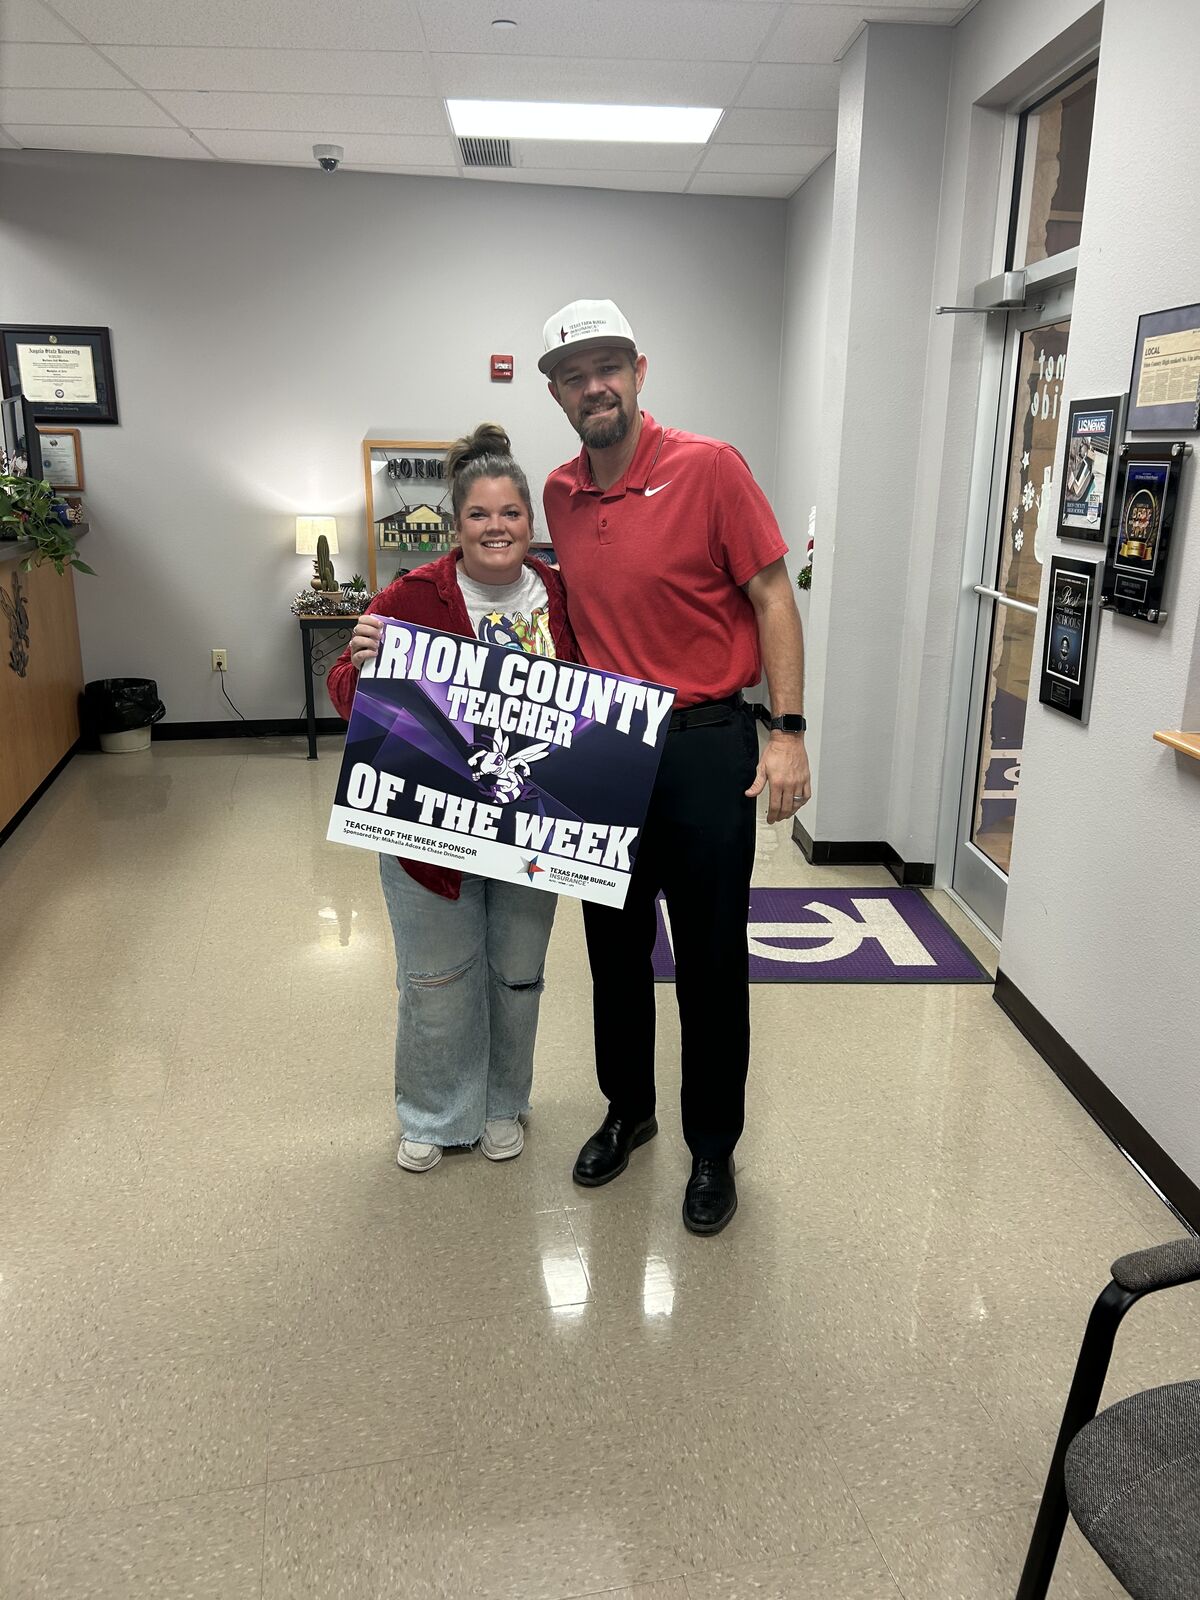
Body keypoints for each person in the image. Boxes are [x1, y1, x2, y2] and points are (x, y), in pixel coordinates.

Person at [539, 299, 810, 1236]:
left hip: (704, 741)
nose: (594, 386)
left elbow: (773, 594)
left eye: (608, 366)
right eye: (575, 375)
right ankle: (630, 1111)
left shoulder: (710, 468)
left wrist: (788, 730)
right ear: (556, 392)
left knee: (706, 960)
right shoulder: (559, 494)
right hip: (605, 741)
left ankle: (711, 1148)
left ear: (639, 371)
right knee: (611, 950)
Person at [327, 424, 579, 1172]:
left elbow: (600, 702)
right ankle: (436, 1112)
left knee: (517, 973)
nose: (496, 528)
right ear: (455, 522)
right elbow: (348, 699)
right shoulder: (411, 595)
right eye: (479, 514)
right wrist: (360, 659)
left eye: (510, 514)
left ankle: (503, 1101)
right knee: (435, 979)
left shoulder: (563, 595)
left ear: (529, 522)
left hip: (534, 826)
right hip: (429, 828)